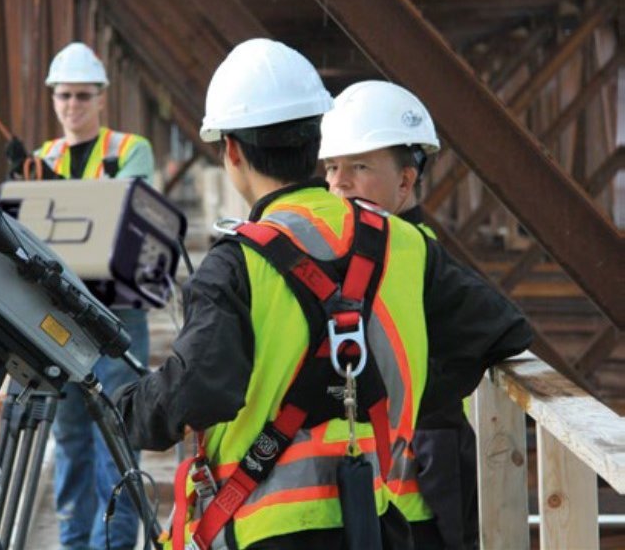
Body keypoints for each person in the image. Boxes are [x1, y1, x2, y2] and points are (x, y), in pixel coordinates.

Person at [114, 39, 532, 550]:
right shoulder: (403, 243)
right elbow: (503, 331)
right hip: (372, 515)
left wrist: (131, 410)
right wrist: (398, 391)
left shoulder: (234, 263)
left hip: (266, 526)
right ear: (317, 144)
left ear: (232, 151)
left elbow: (202, 387)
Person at [320, 80, 478, 549]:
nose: (338, 182)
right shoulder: (360, 253)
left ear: (406, 180)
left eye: (359, 166)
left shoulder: (415, 258)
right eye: (331, 167)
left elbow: (500, 335)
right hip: (385, 491)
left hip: (418, 496)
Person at [30, 42, 155, 550]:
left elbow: (123, 218)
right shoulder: (44, 157)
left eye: (83, 96)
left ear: (102, 99)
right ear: (53, 99)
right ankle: (74, 544)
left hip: (115, 317)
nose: (72, 106)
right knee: (72, 441)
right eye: (64, 96)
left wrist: (50, 197)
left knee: (117, 442)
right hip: (61, 321)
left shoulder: (130, 150)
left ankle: (115, 545)